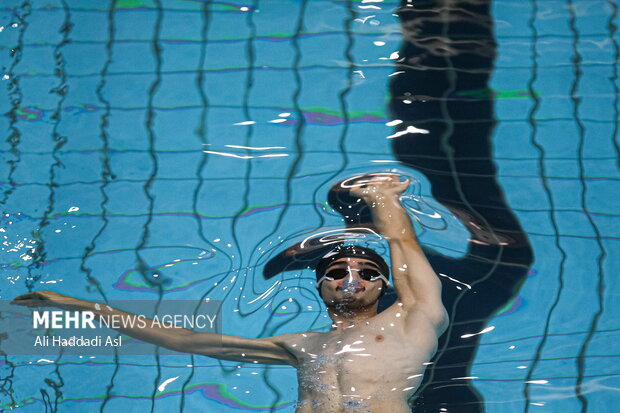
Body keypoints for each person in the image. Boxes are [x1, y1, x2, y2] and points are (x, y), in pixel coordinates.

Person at [11, 173, 448, 412]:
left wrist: (382, 197)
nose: (353, 277)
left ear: (384, 283)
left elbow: (403, 248)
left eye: (368, 271)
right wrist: (84, 307)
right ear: (320, 284)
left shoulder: (412, 319)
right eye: (338, 269)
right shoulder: (302, 345)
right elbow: (185, 339)